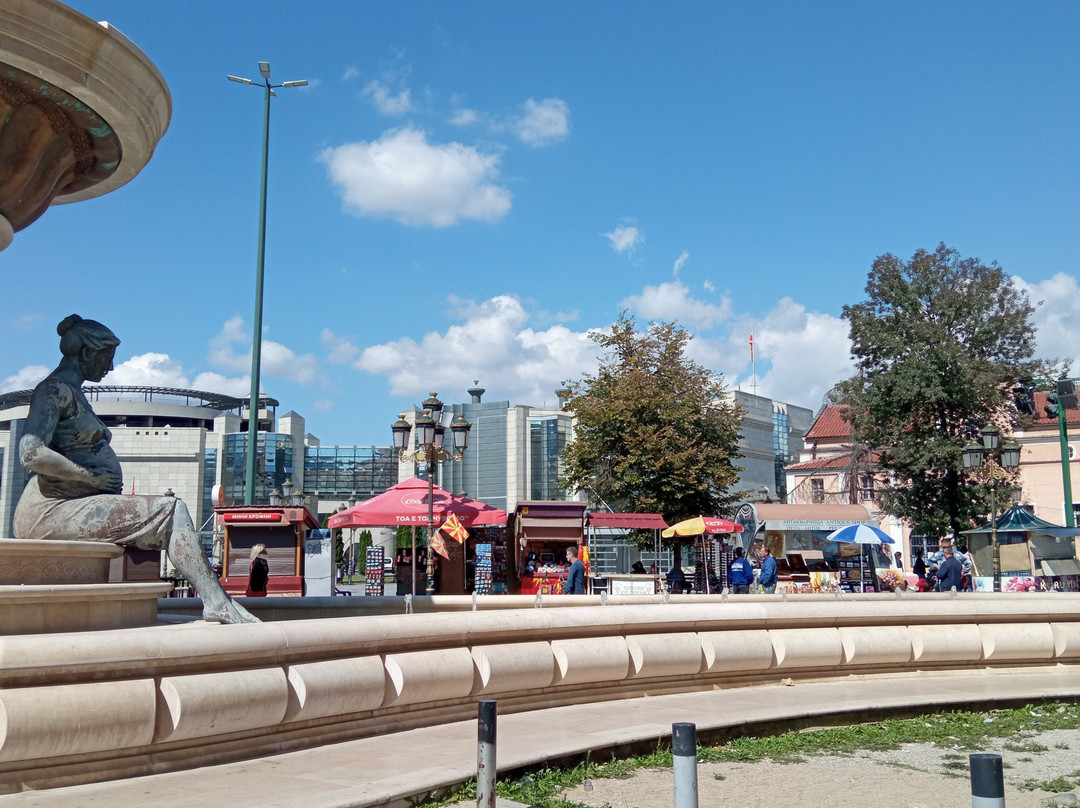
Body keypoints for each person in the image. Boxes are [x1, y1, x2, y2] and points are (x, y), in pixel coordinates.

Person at [13, 315, 257, 624]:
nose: (111, 368)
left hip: (69, 506)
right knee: (171, 512)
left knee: (168, 512)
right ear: (87, 353)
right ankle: (215, 601)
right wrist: (91, 477)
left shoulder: (73, 393)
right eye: (107, 358)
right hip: (50, 511)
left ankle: (216, 600)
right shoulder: (54, 391)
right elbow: (31, 453)